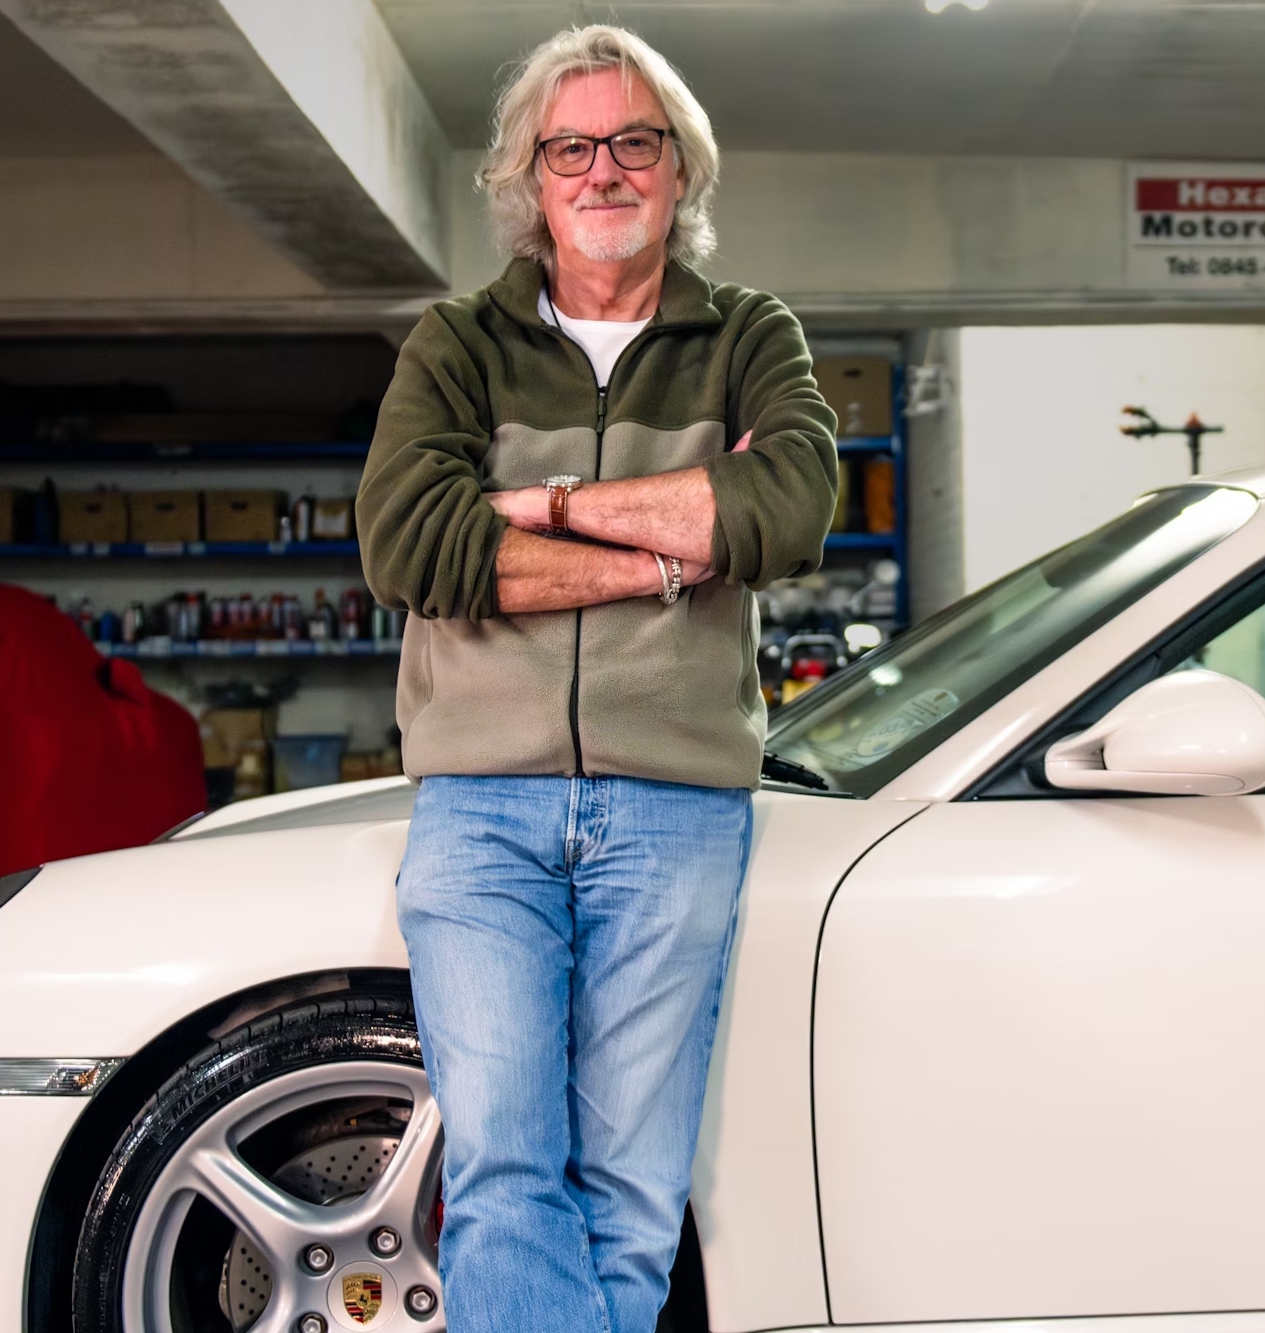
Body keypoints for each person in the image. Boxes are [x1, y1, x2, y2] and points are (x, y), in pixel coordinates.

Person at [354, 22, 837, 1333]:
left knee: (632, 1189)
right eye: (572, 146)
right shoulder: (457, 345)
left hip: (677, 804)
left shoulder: (749, 336)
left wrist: (547, 508)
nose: (603, 170)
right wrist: (676, 550)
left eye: (634, 142)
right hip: (484, 807)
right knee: (510, 1165)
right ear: (531, 179)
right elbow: (413, 545)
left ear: (679, 171)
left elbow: (789, 506)